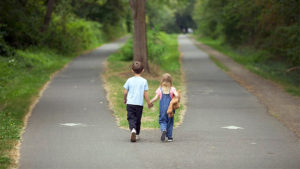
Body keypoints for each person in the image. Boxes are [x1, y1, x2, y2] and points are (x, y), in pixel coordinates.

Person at [123, 61, 152, 142]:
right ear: (142, 70)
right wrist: (149, 102)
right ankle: (137, 133)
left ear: (132, 70)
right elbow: (145, 93)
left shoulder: (129, 80)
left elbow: (125, 92)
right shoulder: (144, 81)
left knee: (131, 118)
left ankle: (133, 130)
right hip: (139, 104)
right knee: (138, 119)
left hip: (130, 103)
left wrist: (125, 99)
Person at [150, 73, 178, 142]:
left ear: (161, 82)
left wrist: (151, 101)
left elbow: (156, 98)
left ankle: (164, 129)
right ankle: (170, 137)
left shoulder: (160, 90)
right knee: (170, 122)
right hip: (170, 110)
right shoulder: (172, 89)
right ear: (171, 82)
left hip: (162, 110)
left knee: (162, 121)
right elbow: (177, 95)